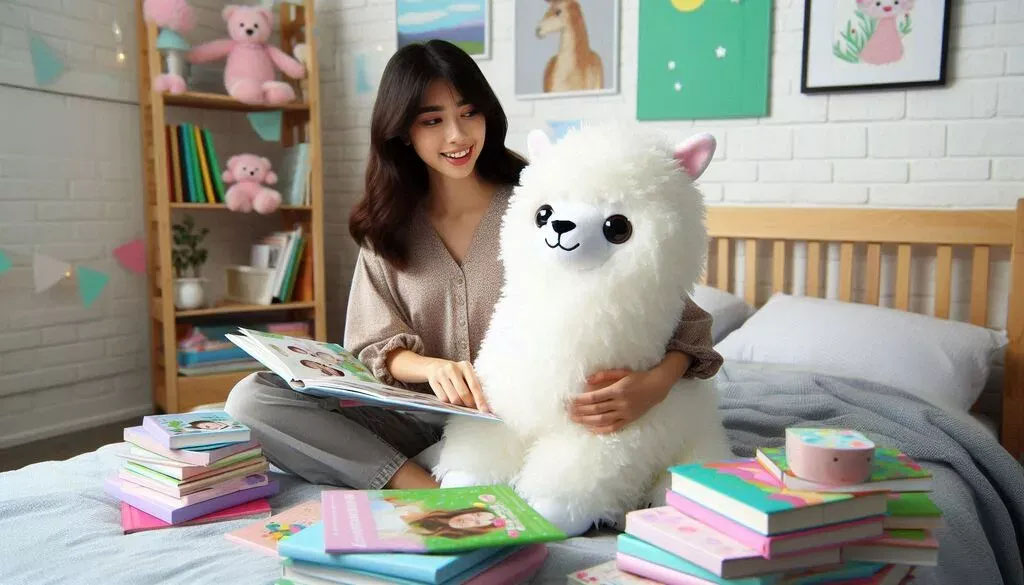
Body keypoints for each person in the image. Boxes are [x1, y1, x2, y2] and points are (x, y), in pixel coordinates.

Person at [225, 40, 722, 491]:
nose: (458, 135)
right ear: (402, 131)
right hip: (418, 416)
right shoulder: (387, 228)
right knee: (252, 400)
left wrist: (653, 386)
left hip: (524, 418)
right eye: (433, 119)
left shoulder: (543, 204)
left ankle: (452, 477)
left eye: (469, 113)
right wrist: (433, 368)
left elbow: (678, 315)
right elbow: (371, 346)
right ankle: (417, 484)